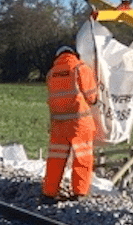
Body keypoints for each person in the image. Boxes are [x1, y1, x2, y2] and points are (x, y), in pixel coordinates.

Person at [42, 45, 99, 202]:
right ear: (74, 54)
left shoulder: (51, 73)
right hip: (79, 123)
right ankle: (79, 193)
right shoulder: (80, 68)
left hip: (58, 125)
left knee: (55, 159)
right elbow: (92, 97)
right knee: (82, 157)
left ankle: (49, 193)